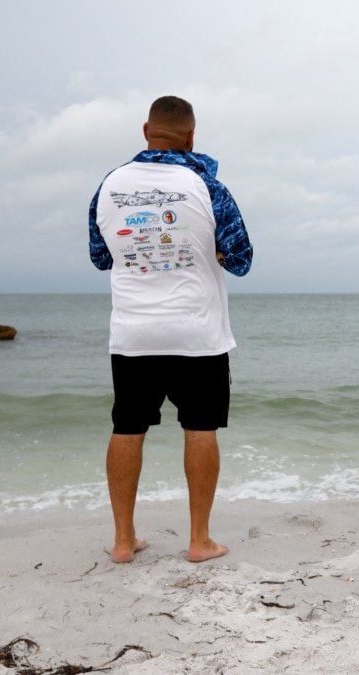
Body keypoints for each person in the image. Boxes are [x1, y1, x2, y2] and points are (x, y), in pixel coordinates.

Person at [89, 95, 253, 564]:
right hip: (196, 332)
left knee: (127, 427)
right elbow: (241, 260)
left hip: (134, 332)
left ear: (146, 131)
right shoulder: (207, 186)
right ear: (191, 137)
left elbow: (101, 257)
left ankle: (124, 541)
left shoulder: (109, 185)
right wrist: (210, 252)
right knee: (200, 427)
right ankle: (199, 541)